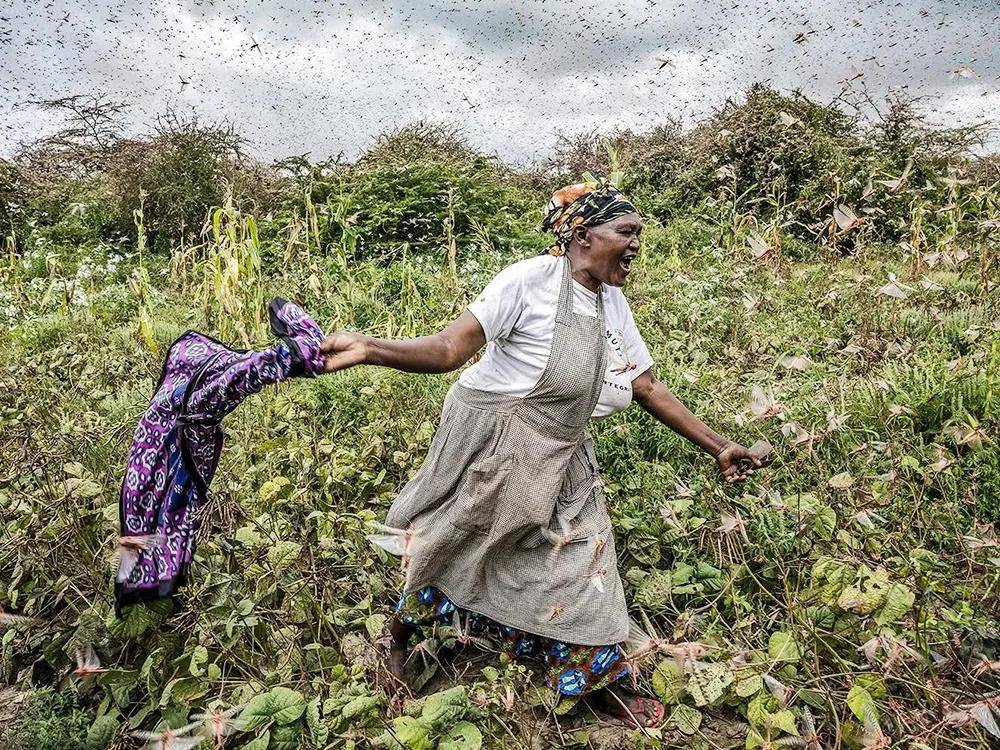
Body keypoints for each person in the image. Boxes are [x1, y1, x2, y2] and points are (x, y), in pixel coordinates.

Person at [319, 181, 765, 727]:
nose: (635, 247)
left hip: (564, 446)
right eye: (625, 233)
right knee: (454, 543)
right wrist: (370, 348)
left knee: (586, 557)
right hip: (500, 439)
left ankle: (600, 687)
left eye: (638, 236)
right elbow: (448, 350)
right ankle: (399, 646)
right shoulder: (527, 281)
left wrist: (720, 446)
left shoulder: (611, 302)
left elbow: (645, 386)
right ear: (582, 235)